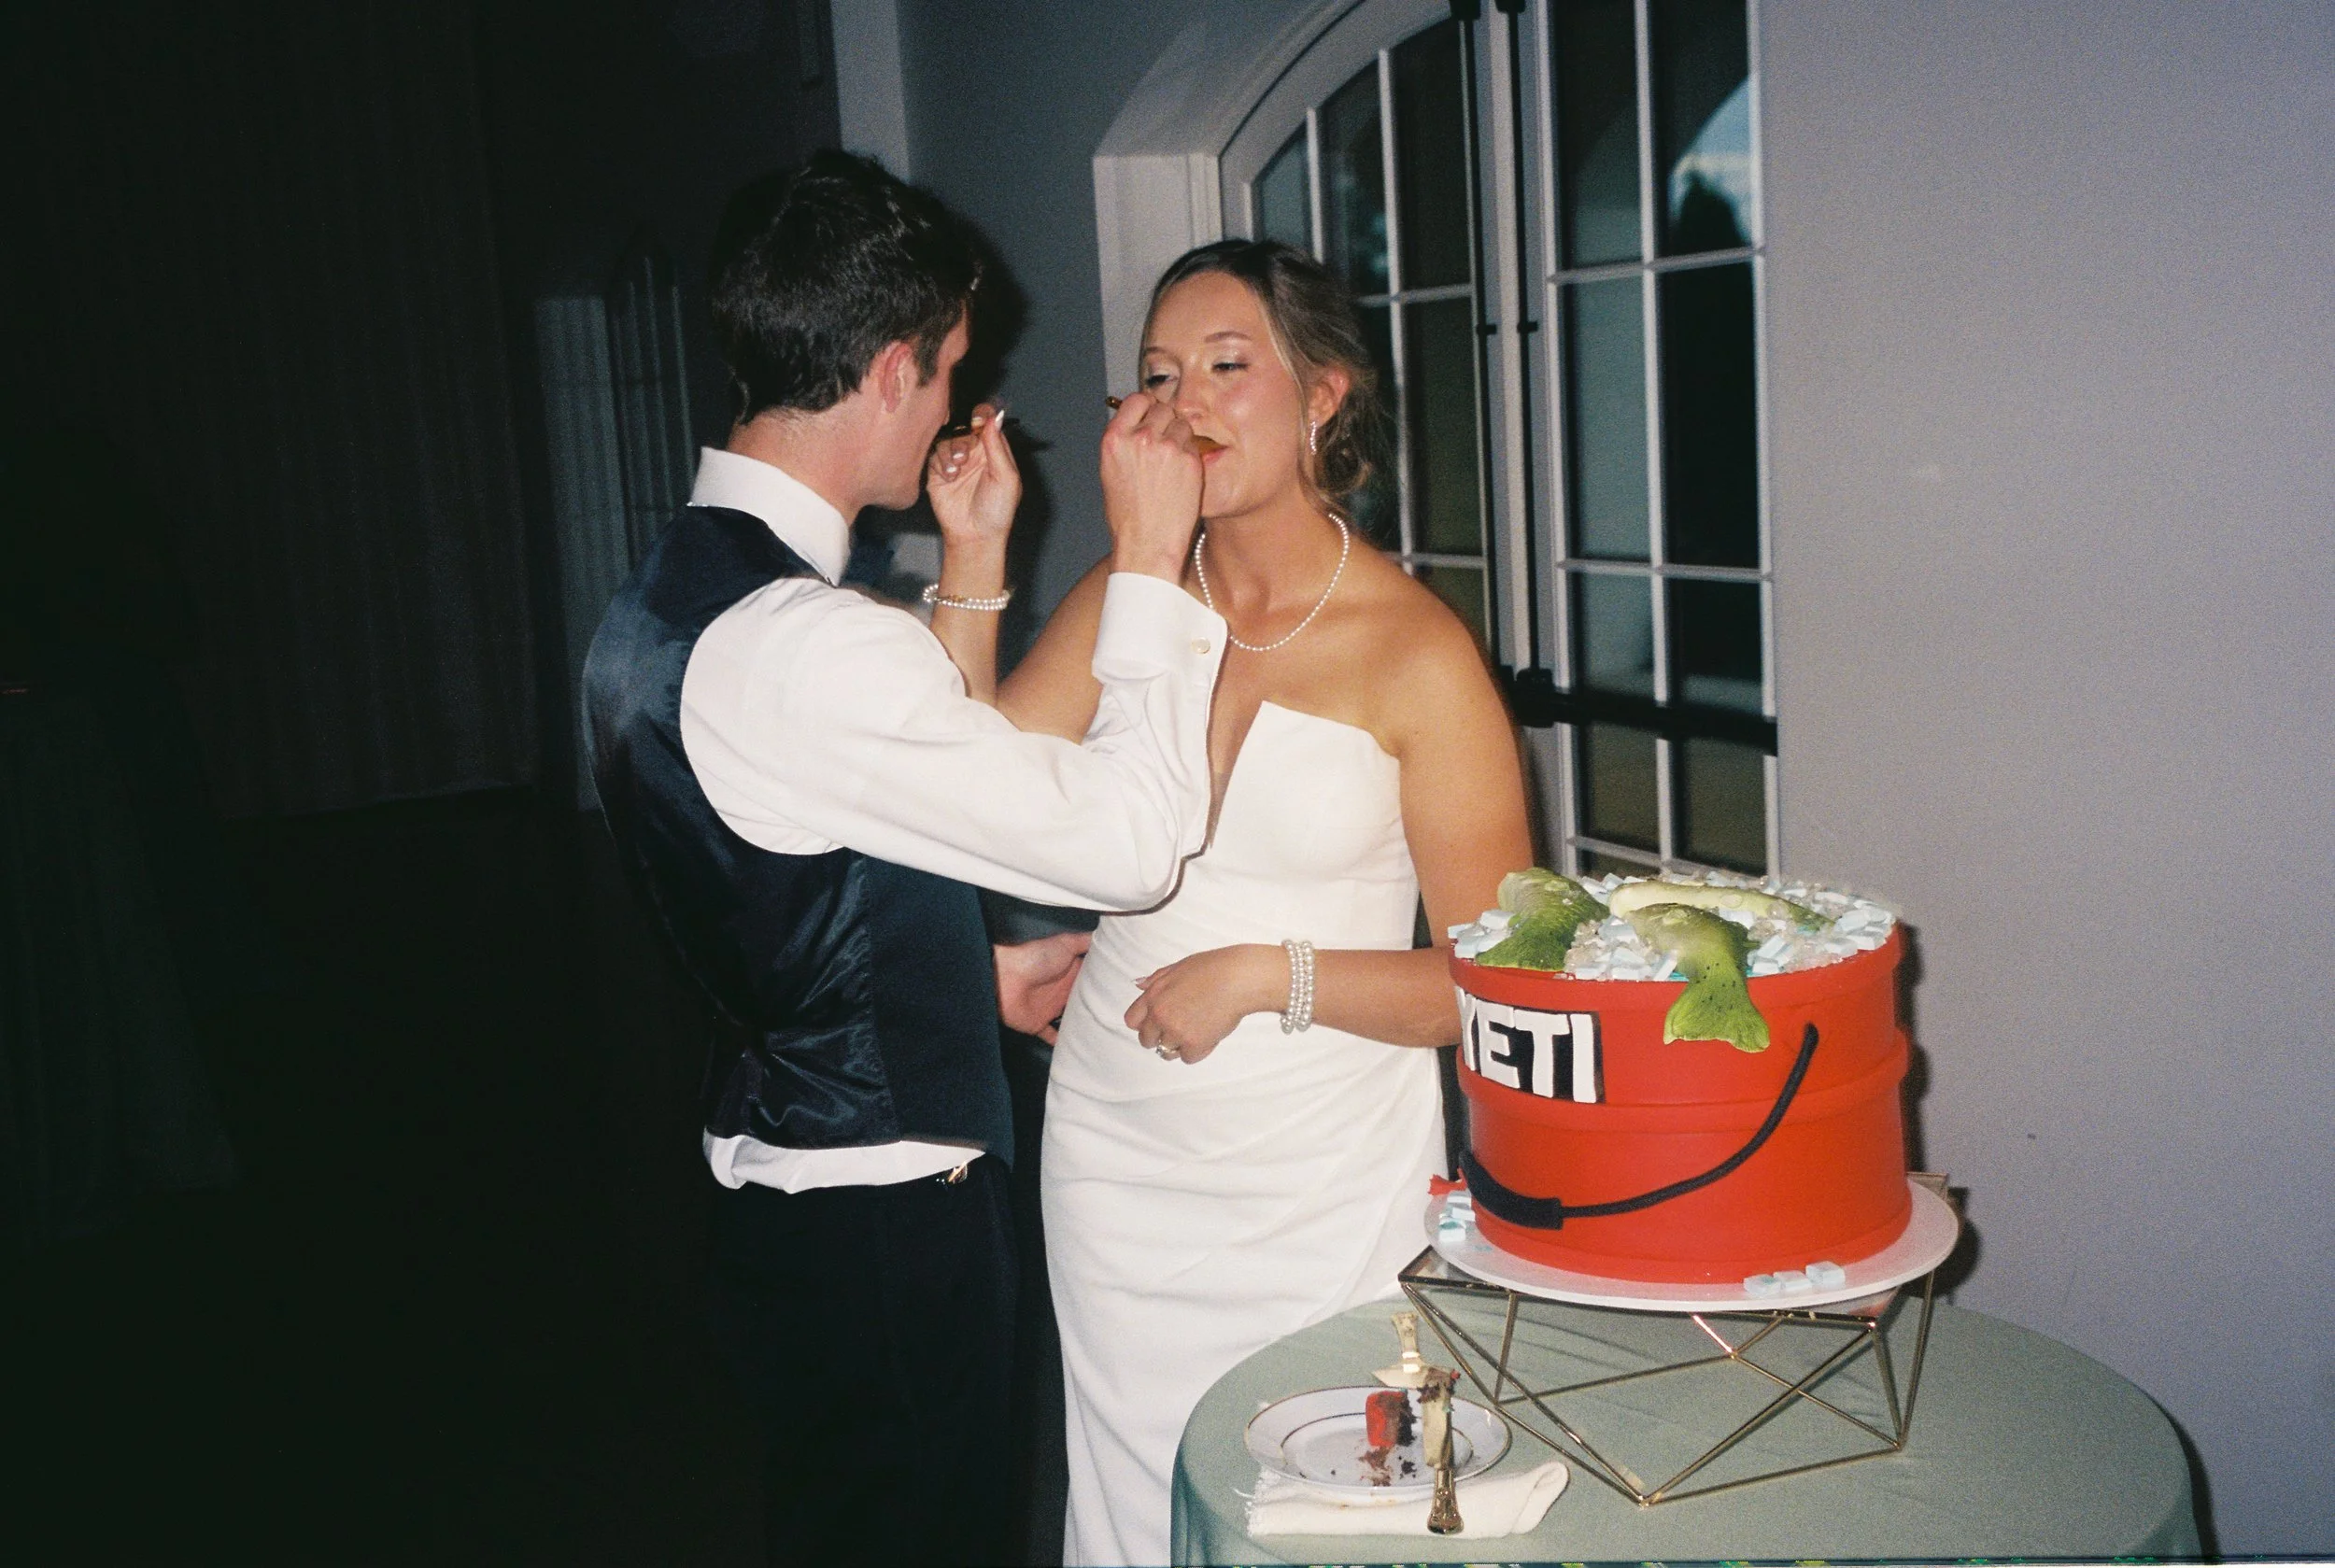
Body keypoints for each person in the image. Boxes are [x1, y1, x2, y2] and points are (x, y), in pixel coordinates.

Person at [579, 151, 1227, 1567]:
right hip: (888, 1231)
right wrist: (1157, 564)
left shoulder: (670, 594)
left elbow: (815, 849)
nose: (950, 399)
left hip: (784, 1210)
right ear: (885, 369)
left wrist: (952, 966)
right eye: (944, 368)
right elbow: (1129, 842)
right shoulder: (816, 642)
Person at [966, 240, 1535, 1565]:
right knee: (1131, 1497)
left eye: (1230, 365)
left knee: (1327, 1509)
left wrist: (1264, 973)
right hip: (1115, 1159)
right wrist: (981, 546)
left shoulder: (1417, 653)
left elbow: (1499, 988)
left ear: (1323, 394)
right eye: (1162, 375)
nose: (1189, 402)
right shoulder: (1131, 596)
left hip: (1321, 1188)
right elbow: (977, 790)